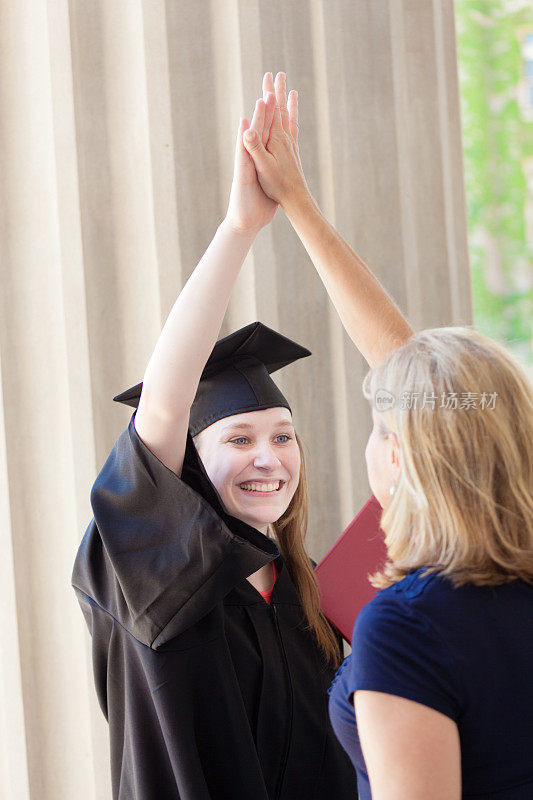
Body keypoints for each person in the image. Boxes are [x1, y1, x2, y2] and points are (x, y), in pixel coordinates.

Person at [73, 71, 411, 800]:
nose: (270, 458)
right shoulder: (150, 576)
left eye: (283, 436)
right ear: (183, 466)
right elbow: (161, 409)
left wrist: (305, 208)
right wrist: (239, 230)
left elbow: (432, 414)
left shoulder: (313, 588)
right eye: (237, 439)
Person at [243, 74, 533, 799]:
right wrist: (299, 207)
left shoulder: (407, 630)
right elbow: (433, 395)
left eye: (380, 428)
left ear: (401, 459)